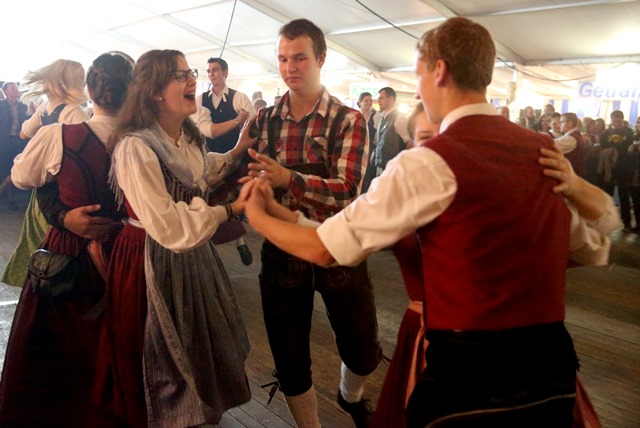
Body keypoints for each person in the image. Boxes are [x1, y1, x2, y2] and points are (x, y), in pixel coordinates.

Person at [242, 17, 621, 428]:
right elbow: (595, 247)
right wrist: (576, 190)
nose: (418, 87)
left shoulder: (429, 162)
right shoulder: (542, 150)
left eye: (418, 73)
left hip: (471, 375)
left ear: (438, 71)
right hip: (551, 371)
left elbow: (328, 247)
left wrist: (258, 215)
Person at [96, 49, 253, 428]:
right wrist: (230, 210)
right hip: (151, 256)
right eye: (180, 75)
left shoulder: (187, 137)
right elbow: (167, 224)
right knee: (158, 354)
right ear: (154, 91)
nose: (192, 80)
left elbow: (200, 173)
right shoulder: (135, 146)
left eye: (190, 72)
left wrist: (239, 150)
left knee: (199, 344)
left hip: (192, 254)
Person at [238, 18, 381, 428]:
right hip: (283, 249)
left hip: (338, 246)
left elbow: (348, 189)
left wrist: (288, 179)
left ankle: (349, 395)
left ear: (321, 58)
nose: (290, 67)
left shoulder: (348, 119)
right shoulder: (264, 119)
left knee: (363, 351)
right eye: (283, 58)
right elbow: (241, 170)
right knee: (289, 359)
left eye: (299, 58)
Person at [0, 52, 133, 428]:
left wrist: (61, 213)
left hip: (68, 255)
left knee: (53, 346)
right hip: (126, 256)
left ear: (90, 88)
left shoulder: (60, 135)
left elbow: (22, 176)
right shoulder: (144, 141)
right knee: (117, 344)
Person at [370, 103, 438, 428]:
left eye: (445, 134)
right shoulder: (399, 192)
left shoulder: (480, 185)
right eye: (426, 137)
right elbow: (337, 240)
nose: (438, 145)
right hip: (423, 329)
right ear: (411, 144)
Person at [2, 59, 90, 287]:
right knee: (59, 251)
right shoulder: (75, 113)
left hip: (41, 194)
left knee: (36, 244)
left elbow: (24, 133)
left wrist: (43, 137)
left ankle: (33, 283)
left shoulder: (45, 108)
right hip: (64, 193)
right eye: (81, 78)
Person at [192, 56, 256, 265]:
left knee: (227, 202)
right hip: (210, 160)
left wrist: (244, 125)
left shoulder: (239, 98)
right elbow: (207, 131)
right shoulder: (200, 100)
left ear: (225, 73)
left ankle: (237, 242)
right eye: (209, 71)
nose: (212, 74)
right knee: (213, 202)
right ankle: (236, 242)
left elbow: (253, 126)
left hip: (234, 160)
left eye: (216, 70)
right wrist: (236, 120)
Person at [599, 110, 635, 230]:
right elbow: (602, 148)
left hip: (624, 168)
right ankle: (606, 221)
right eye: (615, 121)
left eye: (619, 121)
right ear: (611, 120)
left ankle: (626, 222)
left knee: (623, 195)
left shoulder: (629, 133)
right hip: (609, 168)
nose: (617, 123)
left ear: (622, 120)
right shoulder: (605, 133)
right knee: (607, 196)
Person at [0, 82, 29, 210]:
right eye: (12, 88)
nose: (16, 90)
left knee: (14, 168)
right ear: (6, 91)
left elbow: (27, 123)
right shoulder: (1, 105)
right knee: (5, 168)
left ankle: (7, 195)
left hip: (17, 141)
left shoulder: (23, 106)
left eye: (16, 87)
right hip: (3, 141)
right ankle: (9, 198)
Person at [375, 86, 410, 175]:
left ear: (390, 99)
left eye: (381, 98)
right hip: (380, 167)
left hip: (394, 169)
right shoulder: (382, 117)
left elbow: (409, 142)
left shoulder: (399, 118)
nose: (378, 101)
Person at [357, 91, 378, 193]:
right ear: (360, 102)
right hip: (357, 149)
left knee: (368, 175)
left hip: (370, 150)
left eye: (370, 100)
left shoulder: (376, 116)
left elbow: (378, 135)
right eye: (366, 101)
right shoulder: (356, 115)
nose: (369, 103)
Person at [554, 112, 587, 177]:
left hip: (569, 175)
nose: (559, 125)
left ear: (570, 123)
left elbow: (550, 145)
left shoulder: (571, 138)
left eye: (562, 122)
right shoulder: (574, 136)